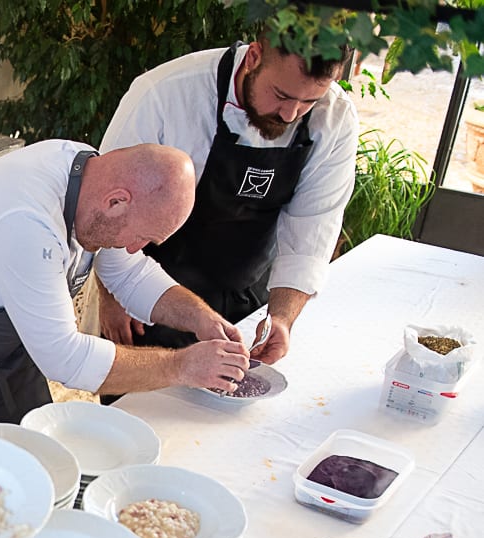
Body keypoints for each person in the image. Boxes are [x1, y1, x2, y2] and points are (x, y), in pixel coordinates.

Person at [0, 140, 250, 429]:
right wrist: (181, 366)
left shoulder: (93, 179)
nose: (136, 248)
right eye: (142, 237)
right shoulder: (26, 222)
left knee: (35, 451)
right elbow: (64, 358)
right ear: (117, 202)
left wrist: (199, 317)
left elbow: (129, 272)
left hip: (5, 334)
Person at [95, 35, 358, 363]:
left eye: (309, 103)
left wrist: (281, 318)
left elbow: (312, 232)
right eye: (280, 95)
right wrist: (112, 296)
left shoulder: (336, 120)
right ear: (254, 57)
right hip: (150, 298)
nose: (290, 115)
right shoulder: (165, 94)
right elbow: (107, 213)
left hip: (248, 300)